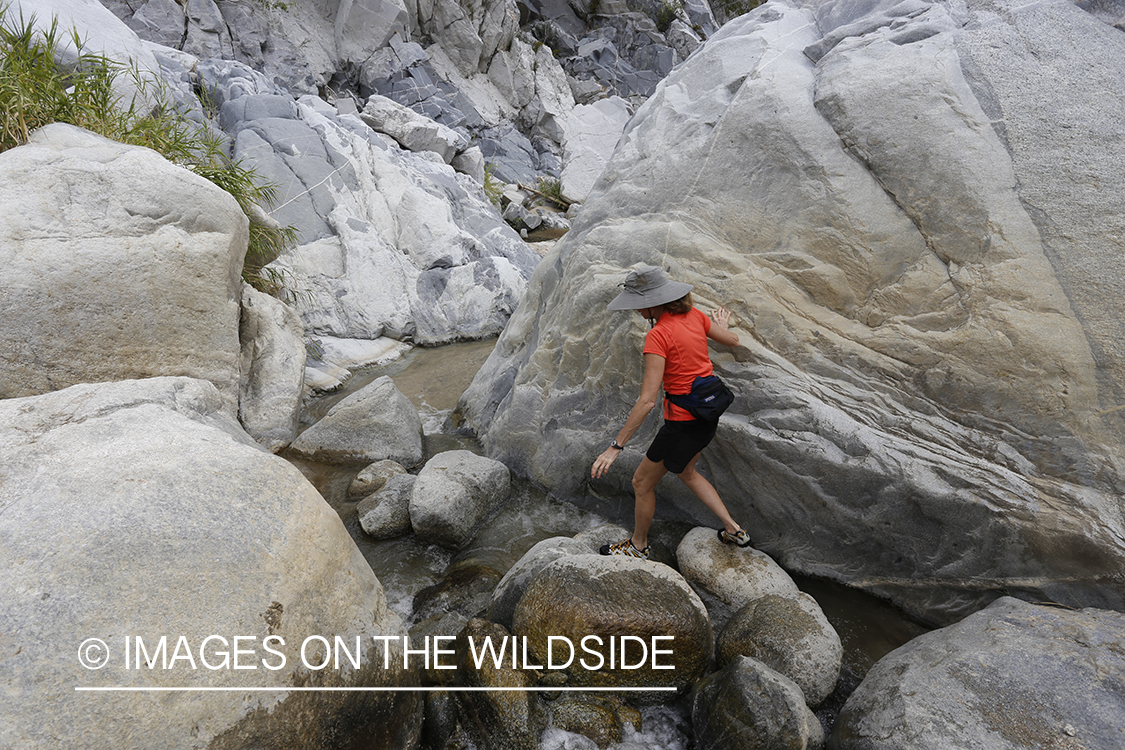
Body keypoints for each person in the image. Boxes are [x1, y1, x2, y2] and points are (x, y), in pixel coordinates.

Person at [591, 265, 752, 559]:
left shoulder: (659, 335)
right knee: (687, 472)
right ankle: (733, 530)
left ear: (655, 302)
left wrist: (615, 447)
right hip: (707, 415)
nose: (637, 310)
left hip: (682, 424)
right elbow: (733, 341)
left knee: (641, 482)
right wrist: (722, 326)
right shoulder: (696, 316)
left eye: (640, 303)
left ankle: (638, 547)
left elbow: (647, 401)